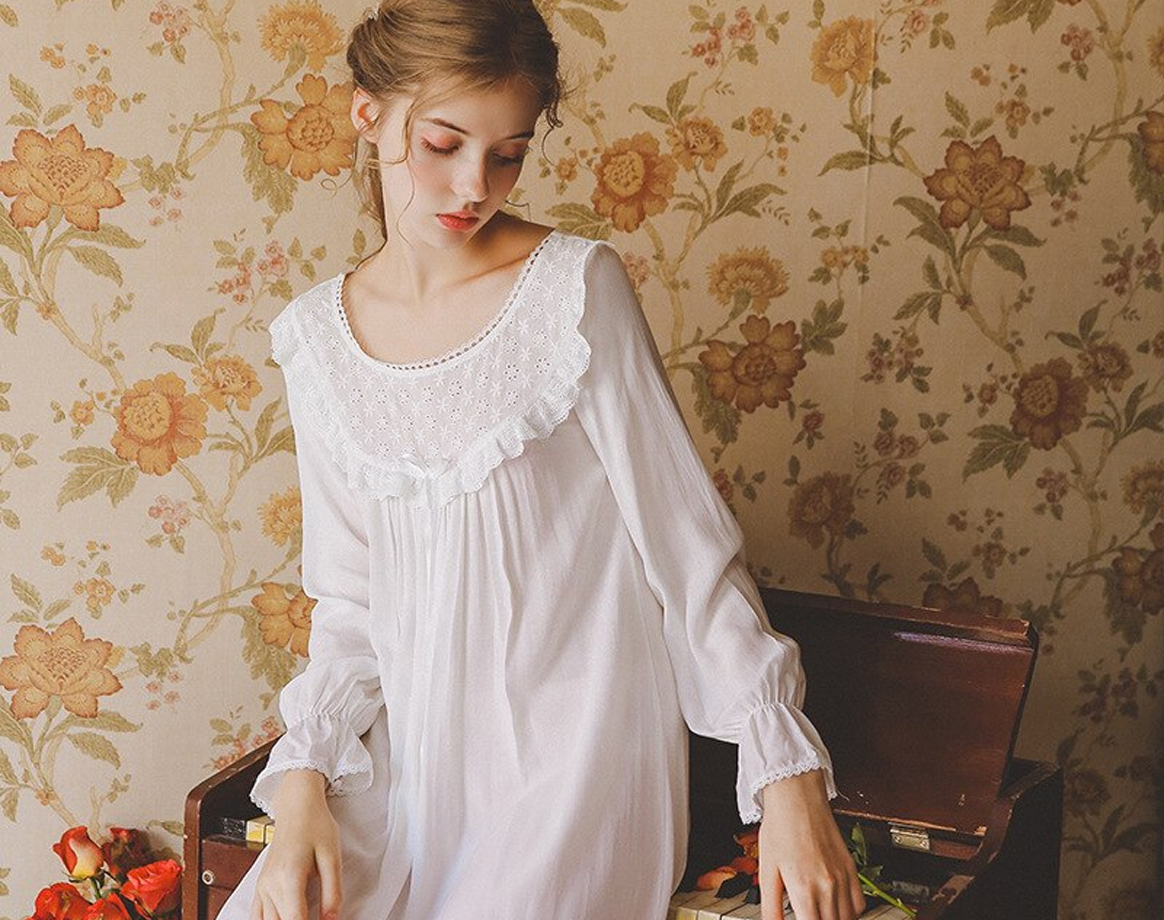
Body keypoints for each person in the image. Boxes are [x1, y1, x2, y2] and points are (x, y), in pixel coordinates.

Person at [216, 2, 866, 919]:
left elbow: (687, 555)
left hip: (571, 769)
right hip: (405, 767)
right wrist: (302, 792)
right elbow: (351, 603)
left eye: (508, 153)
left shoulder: (574, 292)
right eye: (442, 144)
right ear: (368, 115)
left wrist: (785, 777)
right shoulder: (318, 340)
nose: (473, 186)